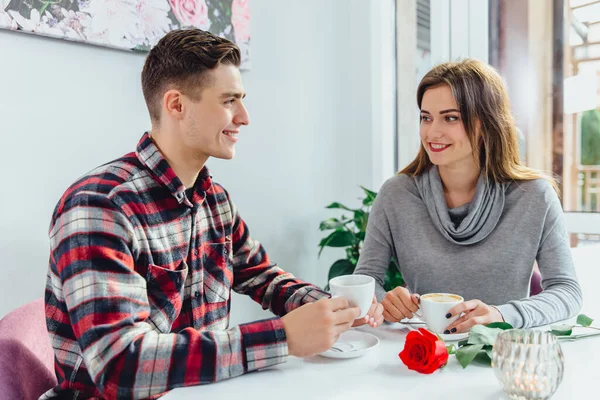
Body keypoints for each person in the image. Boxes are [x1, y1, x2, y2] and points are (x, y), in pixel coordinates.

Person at [42, 29, 383, 399]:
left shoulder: (214, 200)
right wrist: (282, 338)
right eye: (229, 101)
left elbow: (261, 275)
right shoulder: (100, 205)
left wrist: (329, 309)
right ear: (176, 105)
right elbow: (120, 366)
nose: (245, 117)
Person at [354, 59, 582, 334]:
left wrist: (500, 314)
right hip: (422, 355)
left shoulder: (535, 196)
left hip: (501, 357)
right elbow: (364, 281)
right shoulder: (396, 195)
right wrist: (384, 302)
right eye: (426, 117)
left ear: (486, 124)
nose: (432, 132)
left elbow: (567, 292)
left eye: (450, 118)